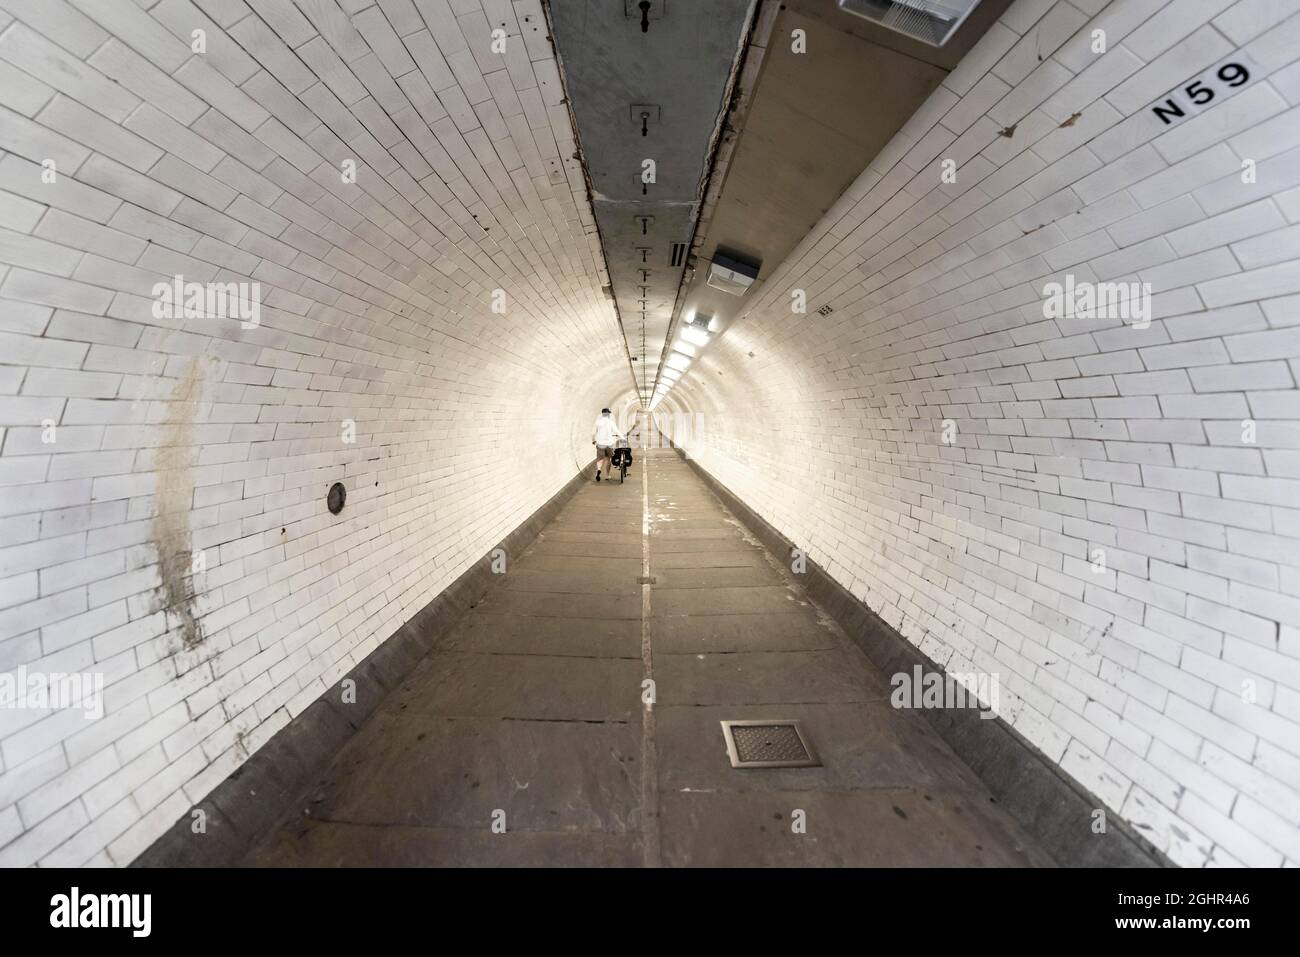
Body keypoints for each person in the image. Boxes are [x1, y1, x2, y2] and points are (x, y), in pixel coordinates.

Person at [592, 407, 623, 482]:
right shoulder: (611, 422)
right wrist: (622, 437)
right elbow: (616, 431)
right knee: (608, 459)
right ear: (608, 414)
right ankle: (607, 475)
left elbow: (593, 433)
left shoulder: (597, 422)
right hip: (609, 443)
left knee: (600, 459)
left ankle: (599, 470)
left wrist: (593, 440)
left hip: (600, 443)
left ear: (602, 414)